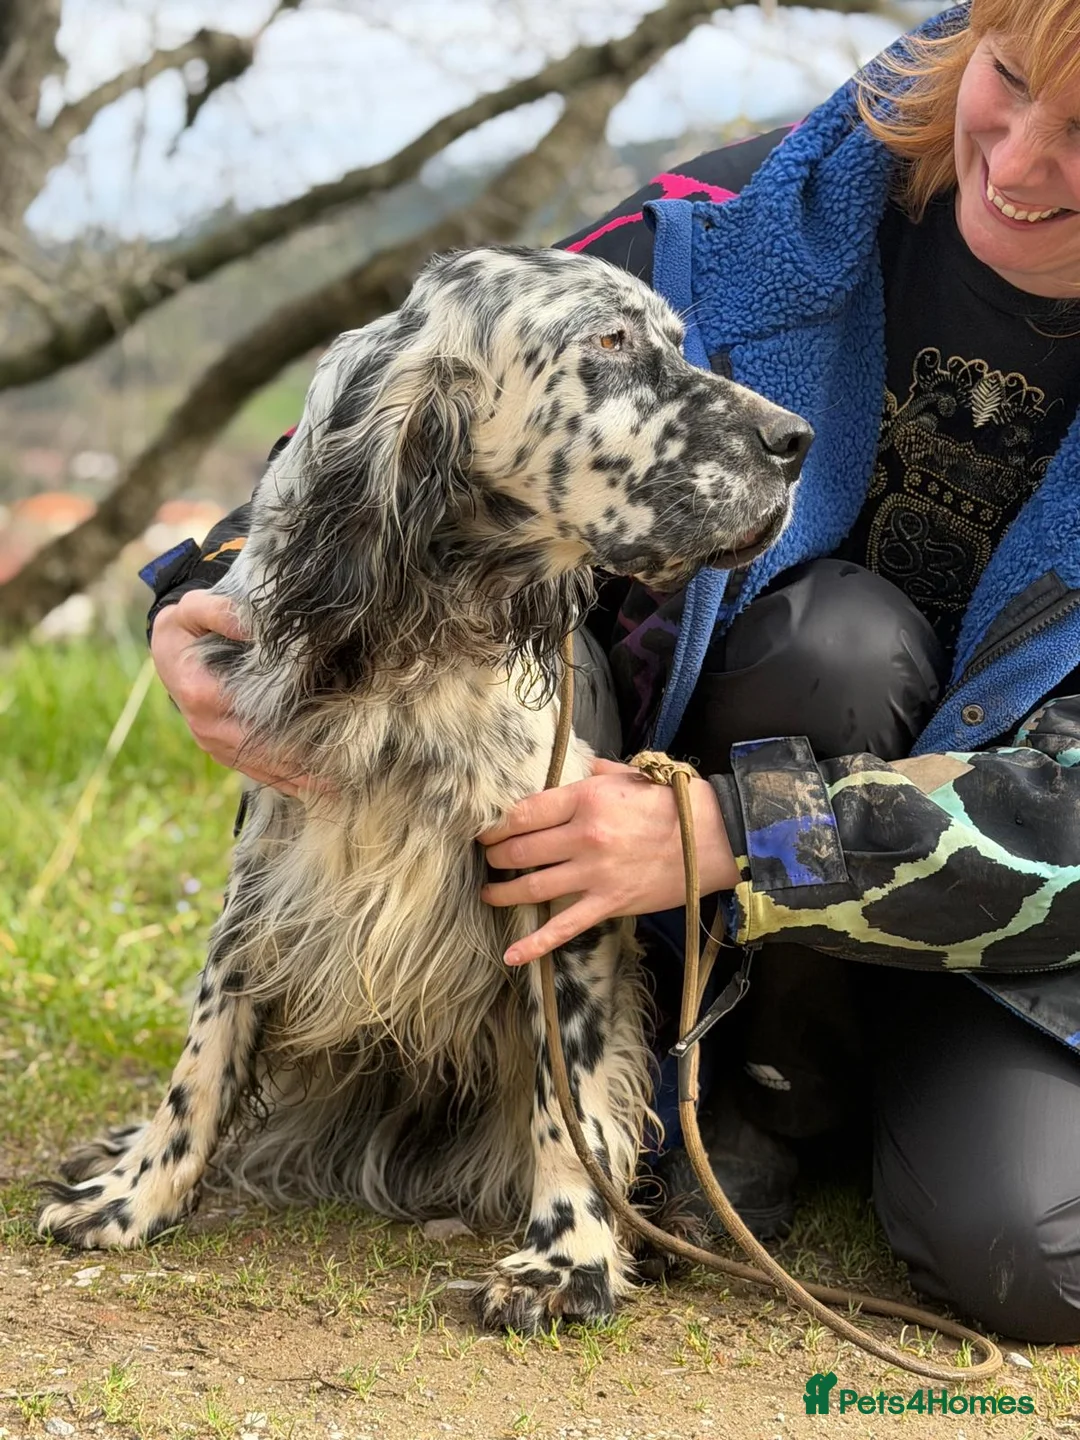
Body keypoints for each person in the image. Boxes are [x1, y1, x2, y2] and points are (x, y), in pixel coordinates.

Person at [144, 1, 1080, 1343]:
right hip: (690, 876)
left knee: (1030, 1261)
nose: (1020, 159)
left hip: (1003, 908)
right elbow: (422, 393)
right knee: (836, 643)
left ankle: (889, 1084)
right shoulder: (750, 215)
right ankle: (752, 1096)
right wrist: (214, 581)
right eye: (1006, 80)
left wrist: (737, 837)